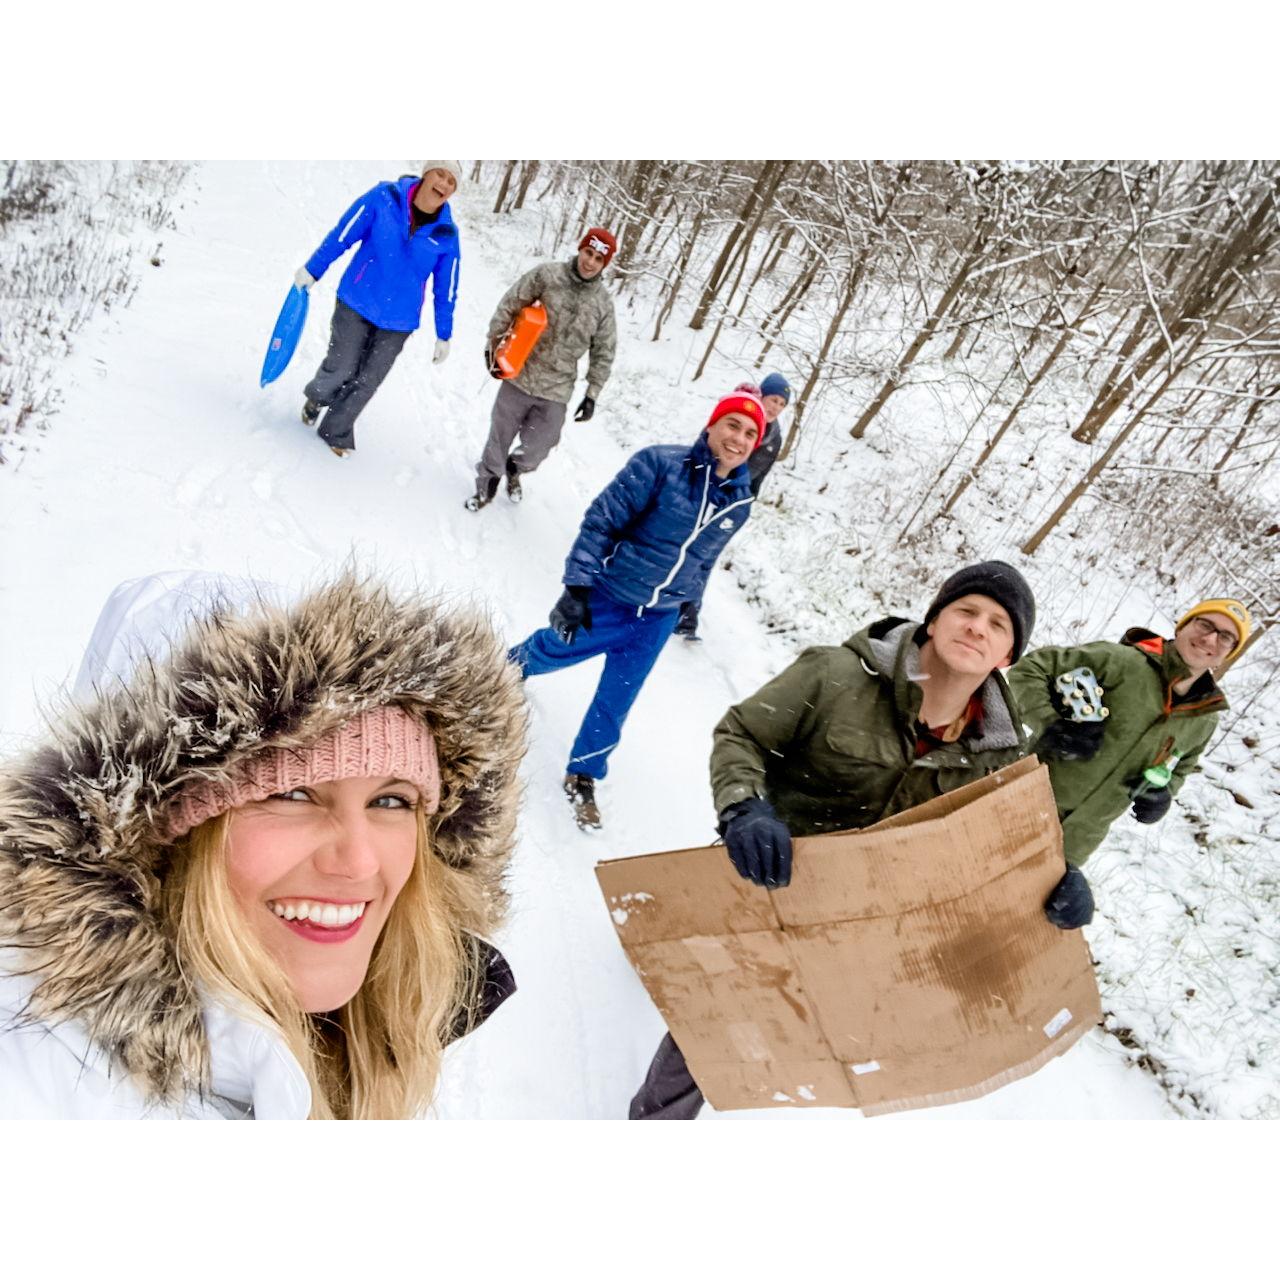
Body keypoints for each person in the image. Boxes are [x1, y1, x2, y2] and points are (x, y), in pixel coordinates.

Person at [0, 569, 526, 1119]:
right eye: (293, 795)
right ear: (157, 843)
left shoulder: (372, 1034)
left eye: (391, 801)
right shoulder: (35, 1089)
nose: (358, 861)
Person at [629, 559, 1052, 1119]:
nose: (978, 627)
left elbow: (994, 852)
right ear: (933, 621)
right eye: (966, 611)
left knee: (778, 1021)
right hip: (768, 875)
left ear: (1007, 656)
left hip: (859, 920)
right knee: (716, 1018)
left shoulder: (997, 753)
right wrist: (744, 807)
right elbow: (742, 733)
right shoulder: (835, 674)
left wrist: (1057, 885)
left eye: (998, 625)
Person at [509, 389, 765, 829]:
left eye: (749, 434)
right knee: (555, 647)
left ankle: (584, 773)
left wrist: (690, 604)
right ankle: (508, 667)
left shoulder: (739, 503)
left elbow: (703, 559)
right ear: (712, 425)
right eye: (732, 425)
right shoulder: (659, 464)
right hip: (612, 595)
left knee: (617, 699)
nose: (738, 439)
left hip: (659, 617)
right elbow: (602, 520)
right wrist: (576, 587)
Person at [1007, 596, 1248, 874]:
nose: (1210, 639)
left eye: (1226, 637)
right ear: (1182, 626)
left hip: (1073, 845)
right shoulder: (1121, 660)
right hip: (1016, 805)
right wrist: (1049, 723)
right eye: (1205, 624)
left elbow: (1181, 766)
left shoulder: (1204, 719)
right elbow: (1031, 669)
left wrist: (1163, 796)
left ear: (1229, 652)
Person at [294, 162, 463, 457]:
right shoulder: (385, 197)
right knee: (342, 365)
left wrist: (443, 333)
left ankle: (336, 430)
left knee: (368, 380)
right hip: (357, 299)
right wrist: (313, 269)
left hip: (399, 320)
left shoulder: (447, 234)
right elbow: (343, 234)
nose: (444, 184)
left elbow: (446, 288)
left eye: (452, 181)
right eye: (440, 174)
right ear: (427, 174)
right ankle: (317, 397)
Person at [466, 228, 618, 510]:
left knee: (541, 444)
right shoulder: (547, 275)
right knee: (500, 435)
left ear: (604, 265)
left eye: (598, 259)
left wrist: (592, 393)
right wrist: (493, 345)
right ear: (580, 249)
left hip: (557, 388)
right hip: (520, 372)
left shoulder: (603, 304)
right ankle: (486, 484)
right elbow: (511, 303)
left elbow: (604, 350)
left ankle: (516, 467)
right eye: (588, 253)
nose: (590, 262)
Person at [675, 372, 791, 641]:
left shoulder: (774, 438)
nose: (776, 407)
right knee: (681, 548)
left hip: (730, 506)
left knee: (705, 558)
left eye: (782, 404)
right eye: (773, 399)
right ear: (762, 395)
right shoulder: (738, 418)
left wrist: (745, 506)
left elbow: (759, 478)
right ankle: (664, 601)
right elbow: (703, 448)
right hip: (704, 493)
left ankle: (686, 618)